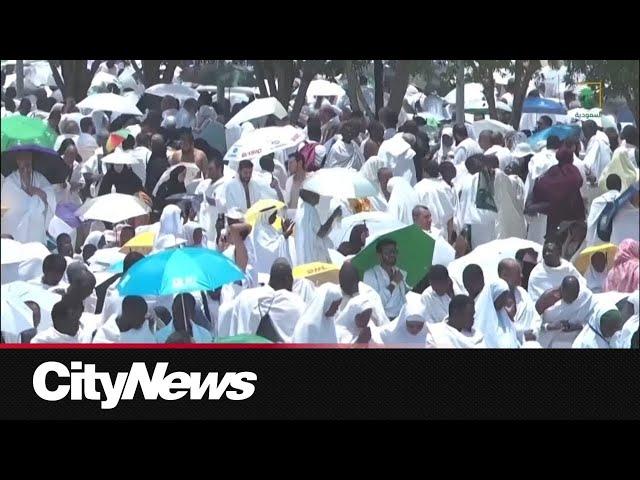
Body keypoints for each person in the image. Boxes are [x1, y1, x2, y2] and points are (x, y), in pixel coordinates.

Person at [1, 152, 57, 243]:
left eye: (28, 165)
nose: (26, 170)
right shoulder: (10, 180)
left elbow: (49, 195)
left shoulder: (39, 177)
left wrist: (36, 191)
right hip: (16, 226)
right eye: (23, 167)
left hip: (36, 227)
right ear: (18, 163)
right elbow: (13, 202)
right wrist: (35, 198)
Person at [529, 146, 585, 237]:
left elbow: (540, 186)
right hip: (572, 213)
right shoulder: (572, 170)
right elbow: (579, 182)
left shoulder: (553, 170)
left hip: (553, 213)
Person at [535, 275, 594, 348]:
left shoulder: (585, 296)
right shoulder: (547, 299)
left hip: (574, 341)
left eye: (574, 298)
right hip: (550, 342)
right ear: (562, 289)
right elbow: (533, 324)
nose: (571, 302)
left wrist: (579, 326)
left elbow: (591, 320)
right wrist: (549, 326)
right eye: (568, 298)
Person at [523, 135, 561, 244]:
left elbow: (529, 183)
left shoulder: (536, 158)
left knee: (535, 235)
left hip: (537, 202)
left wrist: (527, 204)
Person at [528, 237, 585, 302]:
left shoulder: (568, 268)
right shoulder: (537, 273)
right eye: (544, 251)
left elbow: (582, 287)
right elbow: (534, 300)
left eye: (550, 251)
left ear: (559, 253)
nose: (546, 254)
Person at [363, 239, 408, 319]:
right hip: (383, 320)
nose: (392, 255)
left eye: (394, 251)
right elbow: (375, 304)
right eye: (387, 252)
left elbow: (403, 299)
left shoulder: (400, 272)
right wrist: (393, 283)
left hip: (401, 318)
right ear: (379, 255)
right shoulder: (370, 275)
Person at [498, 258, 541, 342]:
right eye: (517, 273)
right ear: (504, 275)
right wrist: (522, 335)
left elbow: (535, 317)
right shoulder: (494, 300)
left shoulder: (523, 293)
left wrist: (534, 333)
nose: (521, 275)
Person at [294, 189, 341, 265]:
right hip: (311, 259)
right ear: (309, 195)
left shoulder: (300, 208)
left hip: (302, 259)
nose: (319, 196)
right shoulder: (310, 210)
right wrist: (333, 216)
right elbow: (321, 233)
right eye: (316, 193)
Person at [414, 161, 456, 240]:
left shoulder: (418, 188)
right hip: (443, 234)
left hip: (425, 233)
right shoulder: (445, 187)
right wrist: (449, 239)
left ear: (424, 171)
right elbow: (450, 218)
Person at [473, 279, 520, 348]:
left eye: (505, 297)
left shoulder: (504, 317)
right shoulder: (479, 317)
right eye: (502, 297)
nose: (504, 301)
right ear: (494, 296)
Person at [247, 206, 293, 275]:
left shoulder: (268, 227)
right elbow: (270, 250)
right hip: (266, 271)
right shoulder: (260, 230)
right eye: (274, 215)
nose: (275, 217)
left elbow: (275, 239)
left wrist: (283, 231)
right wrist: (285, 235)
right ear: (267, 215)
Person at [194, 154, 227, 242]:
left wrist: (214, 202)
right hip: (203, 223)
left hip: (217, 226)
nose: (208, 172)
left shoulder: (227, 185)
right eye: (208, 169)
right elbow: (196, 199)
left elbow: (226, 206)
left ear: (219, 169)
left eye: (211, 169)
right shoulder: (203, 184)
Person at [585, 174, 622, 247]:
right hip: (618, 244)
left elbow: (590, 224)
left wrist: (589, 244)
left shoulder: (597, 201)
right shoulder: (625, 201)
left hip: (599, 244)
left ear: (607, 186)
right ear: (620, 186)